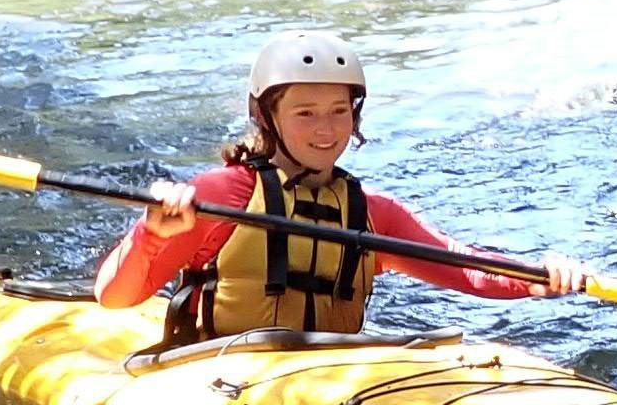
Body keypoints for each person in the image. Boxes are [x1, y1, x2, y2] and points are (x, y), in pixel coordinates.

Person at [97, 29, 589, 343]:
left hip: (329, 374)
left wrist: (540, 276)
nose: (327, 131)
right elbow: (114, 297)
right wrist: (154, 234)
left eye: (338, 112)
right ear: (265, 117)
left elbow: (466, 269)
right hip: (220, 374)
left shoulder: (370, 212)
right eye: (305, 113)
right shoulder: (222, 195)